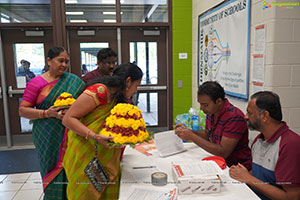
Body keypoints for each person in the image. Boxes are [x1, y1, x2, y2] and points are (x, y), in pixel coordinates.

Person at [62, 63, 143, 199]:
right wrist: (94, 136)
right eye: (137, 85)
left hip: (106, 154)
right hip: (85, 151)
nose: (136, 91)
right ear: (128, 81)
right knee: (85, 193)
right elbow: (68, 119)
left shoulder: (119, 98)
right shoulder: (100, 91)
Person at [19, 46, 85, 200]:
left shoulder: (73, 81)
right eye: (60, 60)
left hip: (71, 132)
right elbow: (23, 110)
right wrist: (47, 113)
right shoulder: (36, 83)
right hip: (47, 134)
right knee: (51, 168)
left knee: (71, 167)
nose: (64, 65)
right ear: (49, 61)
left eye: (66, 62)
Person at [229, 91, 300, 200]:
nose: (246, 116)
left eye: (249, 113)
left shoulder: (290, 145)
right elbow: (260, 176)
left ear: (264, 116)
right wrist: (240, 174)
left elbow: (291, 197)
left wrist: (248, 178)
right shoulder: (258, 140)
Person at [175, 81, 252, 169]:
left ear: (218, 101)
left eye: (205, 105)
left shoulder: (234, 117)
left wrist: (192, 136)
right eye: (200, 104)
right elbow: (208, 134)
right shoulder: (211, 112)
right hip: (218, 162)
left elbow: (223, 152)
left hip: (236, 167)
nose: (201, 108)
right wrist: (188, 132)